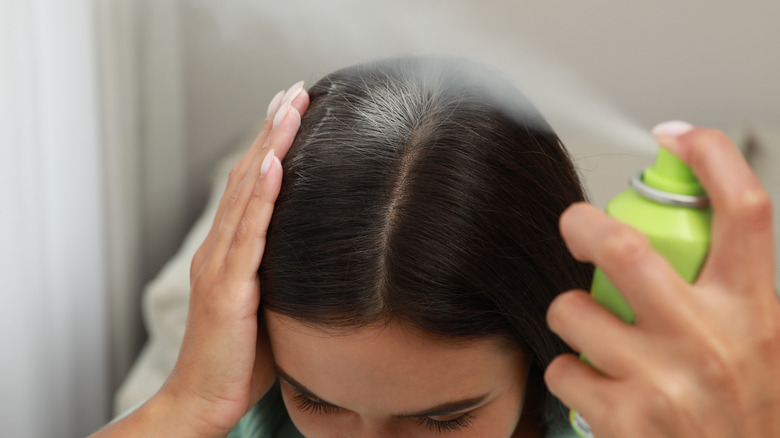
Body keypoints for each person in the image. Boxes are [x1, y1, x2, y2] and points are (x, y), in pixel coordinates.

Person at [92, 58, 779, 438]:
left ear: (541, 360)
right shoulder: (242, 417)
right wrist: (184, 405)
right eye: (320, 403)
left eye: (442, 421)